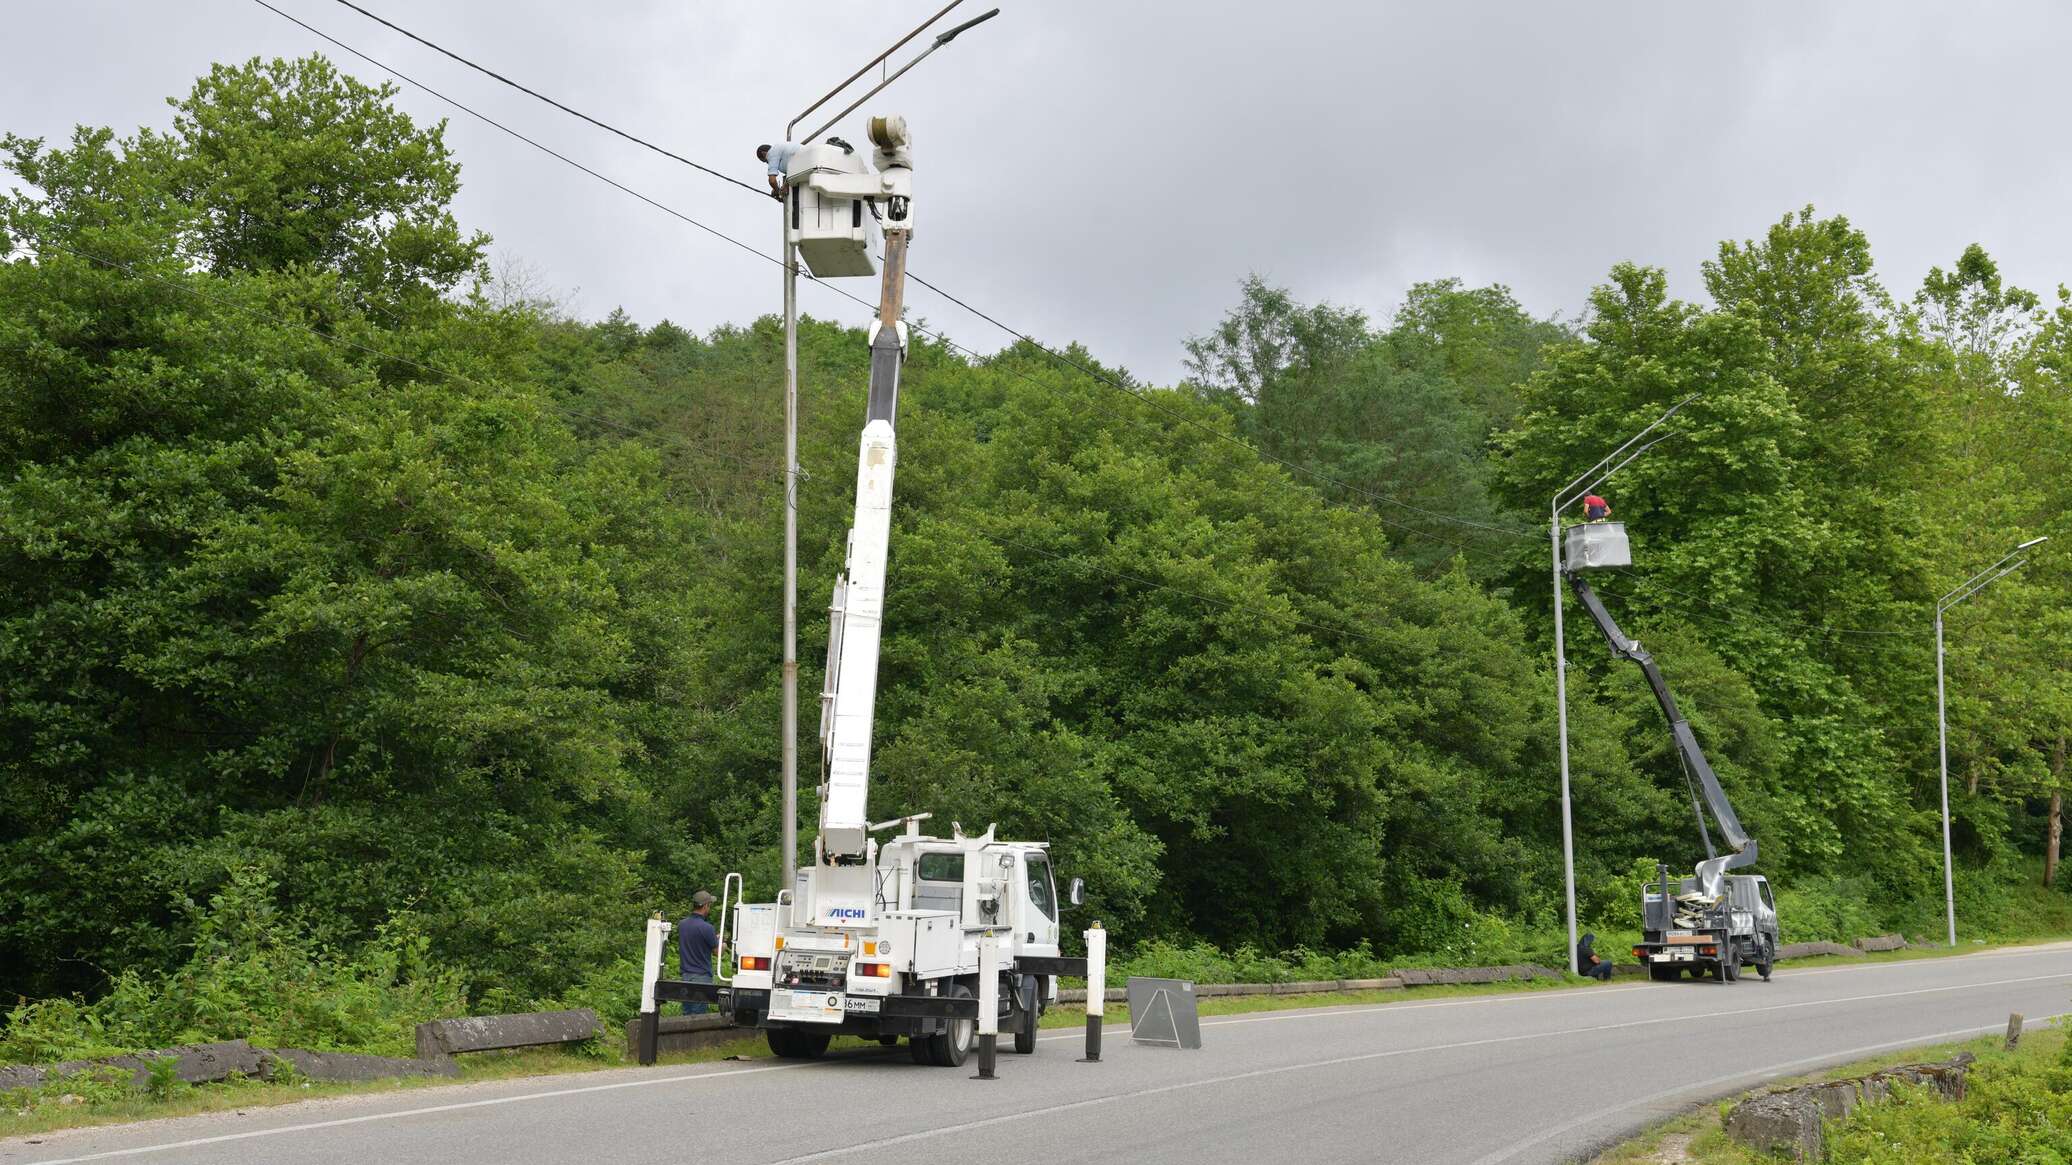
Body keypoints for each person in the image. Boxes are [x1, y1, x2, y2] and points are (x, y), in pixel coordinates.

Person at [677, 890, 720, 1014]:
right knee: (698, 1016)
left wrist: (713, 939)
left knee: (687, 1013)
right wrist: (722, 943)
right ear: (705, 906)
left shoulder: (682, 925)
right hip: (701, 978)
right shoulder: (707, 928)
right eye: (709, 905)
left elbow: (695, 941)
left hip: (685, 977)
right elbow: (717, 952)